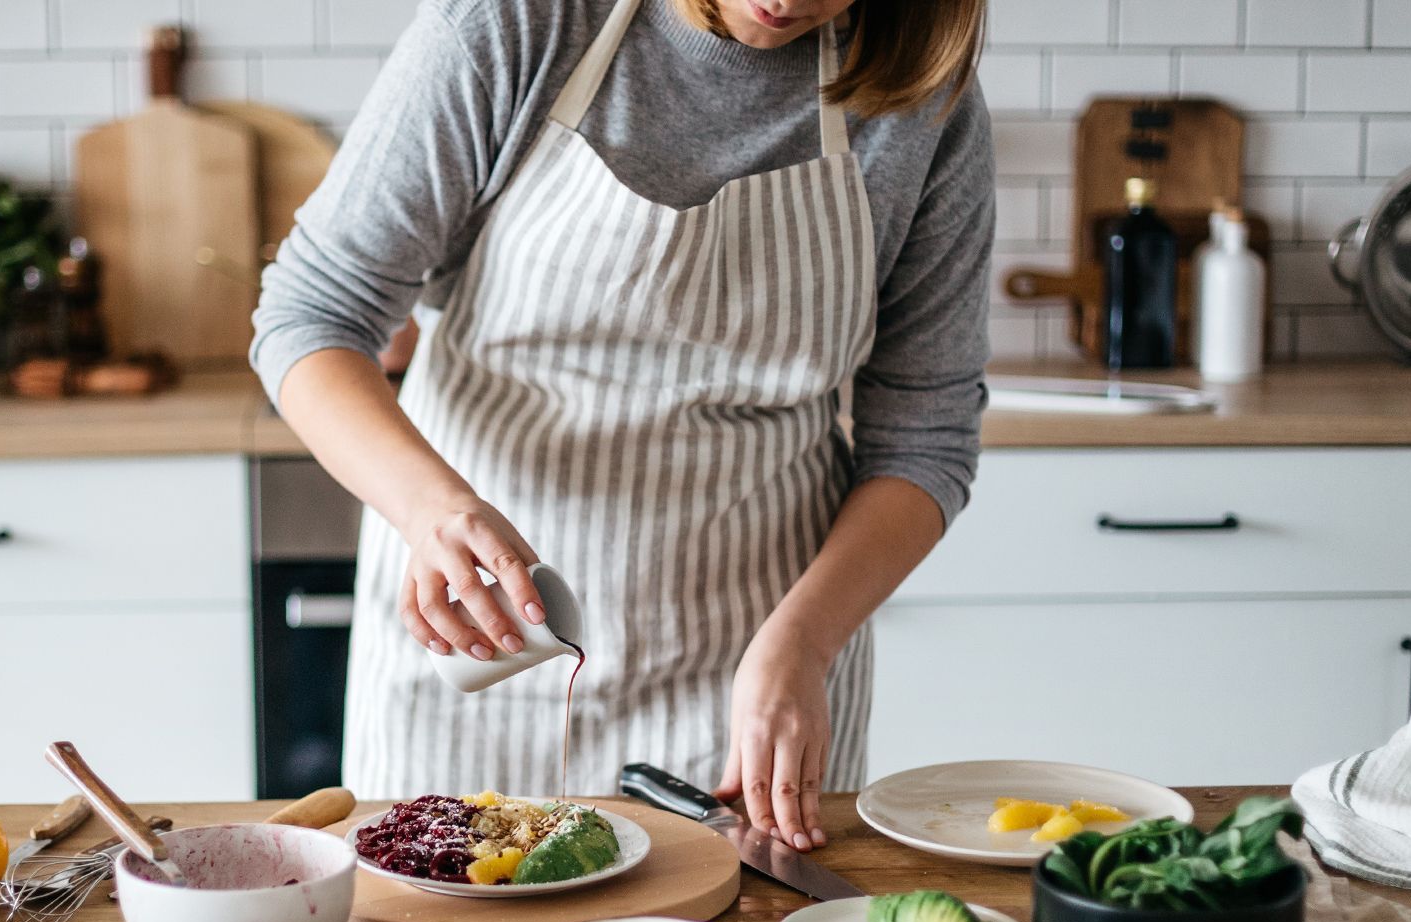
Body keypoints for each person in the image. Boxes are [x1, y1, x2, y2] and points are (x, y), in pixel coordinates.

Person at [251, 0, 992, 852]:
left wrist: (806, 643)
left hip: (753, 664)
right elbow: (311, 315)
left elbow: (926, 436)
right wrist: (430, 510)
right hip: (486, 638)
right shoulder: (515, 27)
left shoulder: (917, 101)